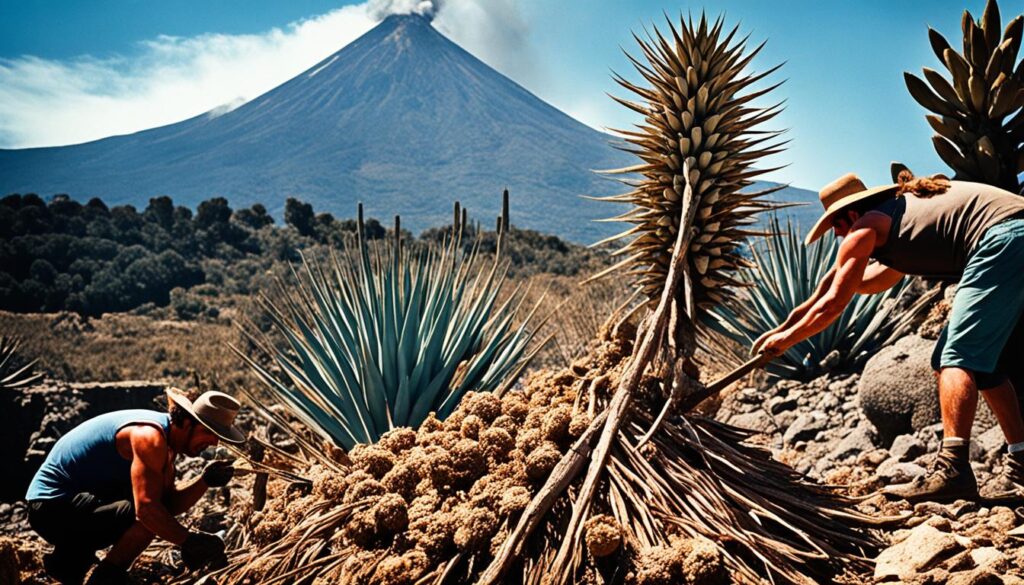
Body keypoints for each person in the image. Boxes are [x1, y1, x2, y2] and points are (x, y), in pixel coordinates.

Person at [754, 171, 1024, 503]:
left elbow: (834, 304)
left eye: (837, 226)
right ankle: (1020, 467)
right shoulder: (904, 217)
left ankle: (952, 470)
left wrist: (785, 342)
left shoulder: (867, 225)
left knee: (957, 357)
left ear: (851, 213)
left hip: (1003, 239)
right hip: (1013, 236)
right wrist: (781, 329)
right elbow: (864, 284)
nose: (839, 236)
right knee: (982, 363)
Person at [24, 389, 247, 584]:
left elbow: (169, 505)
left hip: (77, 504)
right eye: (208, 432)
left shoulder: (167, 445)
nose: (214, 442)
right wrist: (190, 542)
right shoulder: (149, 436)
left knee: (155, 510)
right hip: (51, 508)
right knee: (149, 513)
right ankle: (105, 577)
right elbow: (148, 512)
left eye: (218, 436)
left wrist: (205, 481)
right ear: (187, 422)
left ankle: (71, 561)